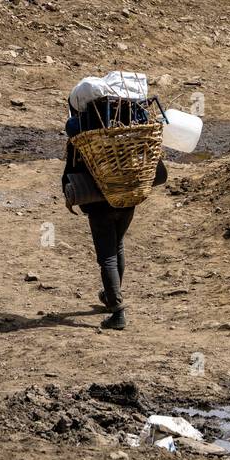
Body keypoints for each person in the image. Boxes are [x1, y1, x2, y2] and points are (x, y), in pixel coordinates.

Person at [62, 98, 167, 332]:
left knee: (107, 256)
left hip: (99, 204)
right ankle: (111, 297)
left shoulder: (85, 136)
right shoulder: (131, 131)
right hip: (128, 199)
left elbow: (71, 170)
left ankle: (117, 311)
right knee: (117, 246)